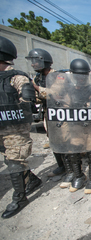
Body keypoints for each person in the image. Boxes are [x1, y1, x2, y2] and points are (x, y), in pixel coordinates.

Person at [0, 36, 42, 218]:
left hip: (15, 129)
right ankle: (31, 179)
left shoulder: (16, 78)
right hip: (2, 127)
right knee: (8, 159)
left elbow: (28, 102)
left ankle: (20, 197)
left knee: (14, 160)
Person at [46, 59, 91, 194]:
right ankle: (79, 176)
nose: (81, 79)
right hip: (74, 125)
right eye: (78, 76)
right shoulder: (67, 89)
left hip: (90, 125)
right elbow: (57, 100)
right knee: (73, 152)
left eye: (83, 76)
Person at [25, 48, 67, 178]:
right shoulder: (38, 78)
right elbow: (39, 97)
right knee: (53, 140)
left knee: (65, 140)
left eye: (35, 61)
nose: (33, 64)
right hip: (47, 112)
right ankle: (62, 166)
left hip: (61, 112)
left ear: (44, 61)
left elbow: (54, 93)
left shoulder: (58, 76)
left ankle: (72, 167)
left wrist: (35, 88)